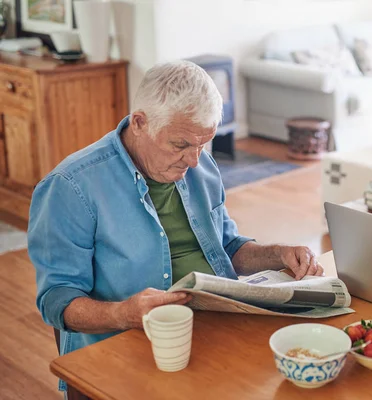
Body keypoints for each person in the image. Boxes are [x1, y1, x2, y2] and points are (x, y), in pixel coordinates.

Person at [28, 61, 324, 372]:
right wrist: (123, 314)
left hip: (217, 329)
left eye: (203, 144)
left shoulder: (200, 163)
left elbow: (227, 248)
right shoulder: (71, 186)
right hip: (127, 349)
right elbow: (56, 299)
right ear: (140, 122)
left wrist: (279, 254)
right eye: (180, 145)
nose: (195, 161)